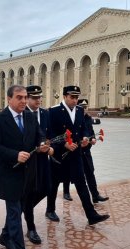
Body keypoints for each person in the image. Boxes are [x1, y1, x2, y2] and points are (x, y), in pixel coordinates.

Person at [0, 85, 50, 249]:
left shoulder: (30, 117)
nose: (23, 100)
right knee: (15, 211)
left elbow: (39, 135)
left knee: (19, 208)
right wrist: (14, 155)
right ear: (9, 99)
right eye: (19, 97)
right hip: (9, 173)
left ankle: (5, 236)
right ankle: (19, 248)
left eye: (25, 97)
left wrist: (42, 144)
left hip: (28, 173)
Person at [45, 85, 110, 226]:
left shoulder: (80, 111)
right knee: (54, 184)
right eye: (72, 97)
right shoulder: (54, 111)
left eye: (77, 97)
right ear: (64, 96)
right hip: (59, 155)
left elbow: (84, 129)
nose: (75, 100)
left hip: (76, 154)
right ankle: (50, 210)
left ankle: (91, 215)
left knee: (81, 184)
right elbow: (50, 134)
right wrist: (64, 144)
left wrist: (85, 138)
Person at [22, 85, 54, 244]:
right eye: (34, 98)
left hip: (43, 158)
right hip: (29, 160)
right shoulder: (23, 114)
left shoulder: (45, 113)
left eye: (39, 97)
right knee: (30, 193)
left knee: (47, 188)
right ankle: (31, 228)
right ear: (27, 98)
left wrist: (49, 146)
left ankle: (21, 210)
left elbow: (48, 134)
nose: (38, 100)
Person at [78, 99, 109, 203]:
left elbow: (90, 132)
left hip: (86, 151)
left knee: (90, 172)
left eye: (85, 107)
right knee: (76, 176)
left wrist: (92, 140)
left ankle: (95, 195)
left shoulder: (88, 118)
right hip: (76, 151)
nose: (84, 109)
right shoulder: (75, 119)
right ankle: (66, 191)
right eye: (82, 107)